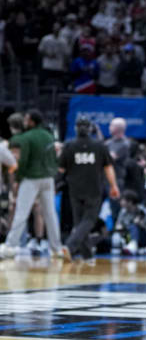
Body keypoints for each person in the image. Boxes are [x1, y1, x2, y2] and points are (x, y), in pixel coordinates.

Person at [0, 110, 62, 258]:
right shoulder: (49, 136)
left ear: (33, 121)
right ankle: (56, 248)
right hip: (48, 179)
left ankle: (10, 245)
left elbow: (22, 161)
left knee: (21, 212)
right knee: (50, 214)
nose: (25, 122)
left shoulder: (25, 138)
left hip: (31, 179)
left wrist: (19, 180)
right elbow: (55, 158)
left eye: (27, 119)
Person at [58, 117, 120, 260]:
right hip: (93, 189)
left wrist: (56, 184)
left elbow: (61, 170)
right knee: (89, 221)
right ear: (90, 129)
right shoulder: (100, 146)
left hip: (74, 189)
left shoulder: (69, 146)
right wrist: (114, 186)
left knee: (80, 222)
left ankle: (86, 254)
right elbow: (108, 167)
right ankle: (70, 246)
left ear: (76, 128)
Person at [113, 189, 146, 255]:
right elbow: (118, 225)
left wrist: (143, 225)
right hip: (128, 236)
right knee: (113, 237)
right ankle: (132, 248)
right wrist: (120, 228)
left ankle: (133, 247)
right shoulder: (123, 211)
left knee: (134, 226)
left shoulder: (145, 212)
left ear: (130, 202)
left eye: (123, 200)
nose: (120, 202)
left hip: (145, 237)